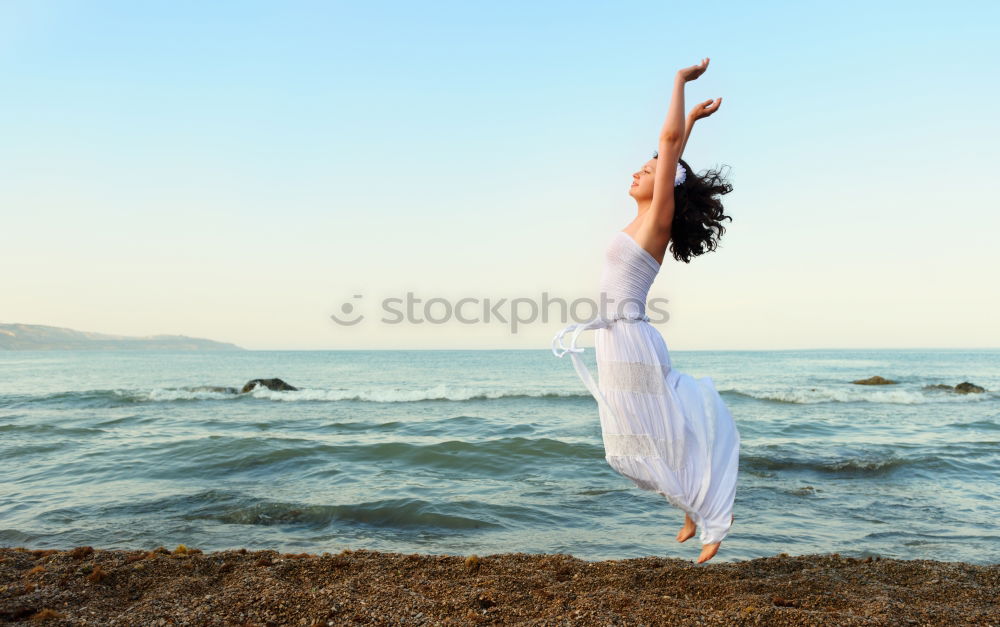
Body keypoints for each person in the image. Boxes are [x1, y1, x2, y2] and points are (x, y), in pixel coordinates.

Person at [552, 57, 739, 564]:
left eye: (650, 169)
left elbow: (669, 145)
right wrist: (690, 130)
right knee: (635, 442)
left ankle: (712, 518)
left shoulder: (657, 222)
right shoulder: (639, 221)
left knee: (639, 440)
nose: (639, 170)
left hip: (630, 337)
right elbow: (672, 153)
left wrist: (679, 86)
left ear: (666, 192)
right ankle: (689, 506)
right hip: (613, 338)